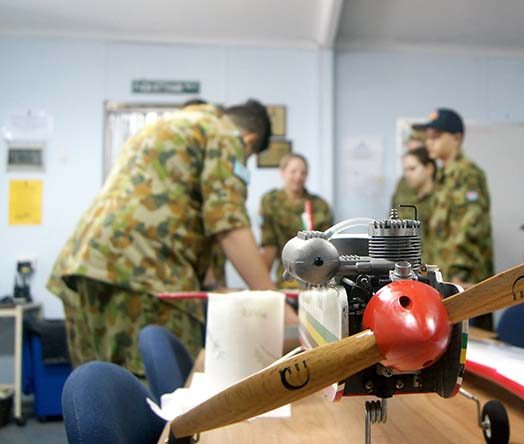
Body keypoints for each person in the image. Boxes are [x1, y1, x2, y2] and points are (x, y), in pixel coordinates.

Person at [48, 99, 290, 376]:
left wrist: (214, 284)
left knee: (105, 392)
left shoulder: (168, 126)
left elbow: (182, 211)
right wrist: (274, 302)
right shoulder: (225, 133)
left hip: (87, 263)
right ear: (250, 140)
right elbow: (228, 222)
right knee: (163, 392)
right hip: (144, 273)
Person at [422, 108, 495, 330]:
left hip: (464, 283)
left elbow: (469, 230)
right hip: (445, 281)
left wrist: (455, 280)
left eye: (436, 137)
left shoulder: (468, 174)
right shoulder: (443, 177)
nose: (429, 143)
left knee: (469, 348)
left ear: (456, 138)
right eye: (427, 137)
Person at [259, 153, 334, 289]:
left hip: (316, 280)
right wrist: (261, 287)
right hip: (286, 279)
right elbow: (269, 245)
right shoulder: (271, 202)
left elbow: (328, 248)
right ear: (282, 172)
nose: (298, 177)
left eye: (303, 173)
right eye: (293, 172)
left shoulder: (320, 205)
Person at [400, 146, 437, 264]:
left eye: (412, 169)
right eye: (405, 170)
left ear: (429, 169)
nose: (407, 175)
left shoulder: (442, 201)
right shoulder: (409, 202)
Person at [391, 128, 428, 219]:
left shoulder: (440, 181)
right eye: (410, 151)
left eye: (417, 152)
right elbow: (393, 213)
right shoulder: (402, 183)